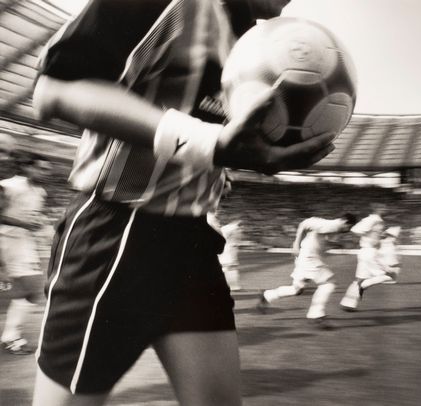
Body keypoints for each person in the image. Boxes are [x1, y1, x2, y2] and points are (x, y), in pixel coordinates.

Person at [30, 0, 337, 404]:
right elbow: (52, 92)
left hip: (193, 240)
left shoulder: (254, 42)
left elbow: (216, 142)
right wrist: (209, 143)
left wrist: (237, 156)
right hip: (117, 233)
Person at [256, 213, 356, 329]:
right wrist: (296, 244)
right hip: (309, 258)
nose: (348, 230)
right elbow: (305, 223)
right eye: (349, 227)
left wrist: (336, 244)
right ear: (345, 222)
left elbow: (319, 238)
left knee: (296, 289)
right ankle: (316, 315)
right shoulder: (332, 225)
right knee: (328, 284)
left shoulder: (334, 228)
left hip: (305, 258)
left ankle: (267, 295)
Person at [0, 143, 50, 355]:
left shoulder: (40, 191)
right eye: (41, 168)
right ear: (27, 167)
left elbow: (34, 216)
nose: (45, 172)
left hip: (25, 243)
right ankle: (11, 337)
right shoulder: (8, 186)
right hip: (8, 241)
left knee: (28, 290)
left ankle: (10, 336)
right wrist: (24, 225)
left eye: (47, 169)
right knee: (31, 289)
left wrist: (42, 227)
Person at [340, 211, 396, 311]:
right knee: (390, 275)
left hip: (366, 252)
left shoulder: (377, 221)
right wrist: (364, 232)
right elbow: (355, 229)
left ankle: (348, 304)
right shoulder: (372, 219)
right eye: (382, 207)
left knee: (359, 279)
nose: (386, 209)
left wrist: (379, 236)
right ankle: (361, 287)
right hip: (369, 253)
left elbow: (373, 234)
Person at [219, 219, 244, 291]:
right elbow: (237, 239)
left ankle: (234, 286)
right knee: (230, 267)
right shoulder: (235, 228)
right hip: (229, 250)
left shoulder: (225, 228)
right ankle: (234, 287)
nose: (243, 228)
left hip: (227, 249)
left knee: (229, 267)